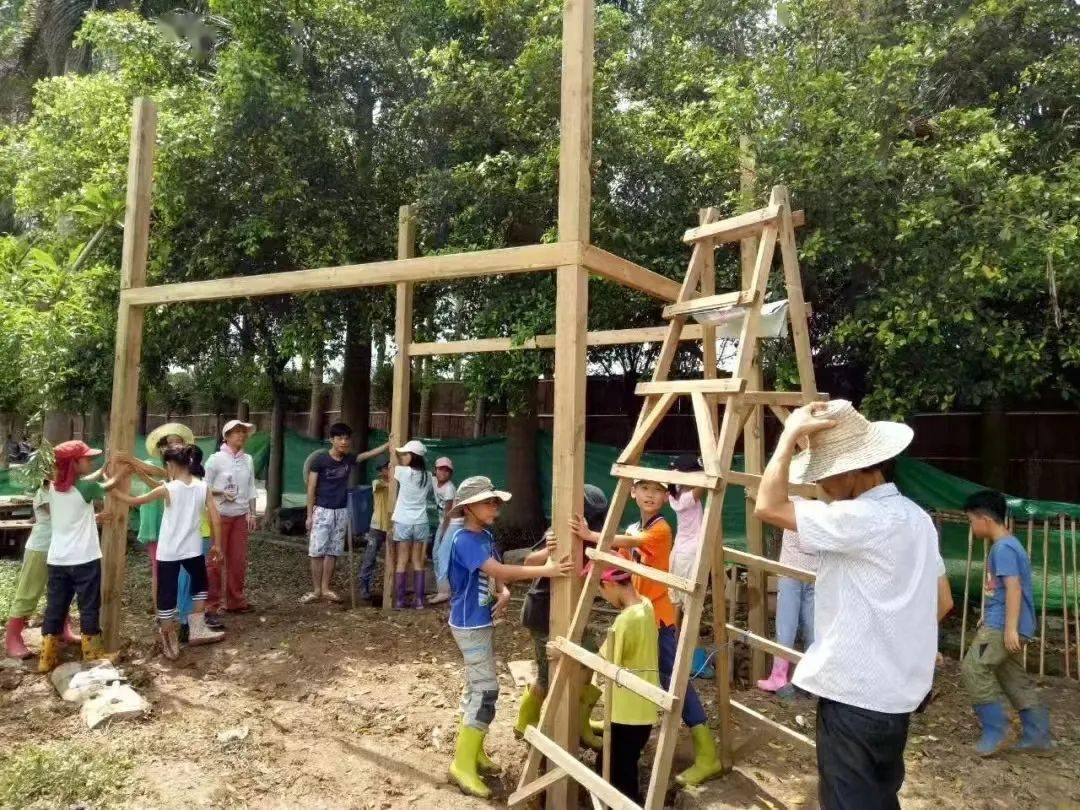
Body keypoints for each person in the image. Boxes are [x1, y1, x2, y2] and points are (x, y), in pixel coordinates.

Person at [753, 400, 938, 810]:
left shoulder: (859, 519)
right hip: (897, 697)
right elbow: (941, 602)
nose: (822, 486)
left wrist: (786, 438)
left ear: (855, 471)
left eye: (827, 475)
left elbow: (766, 505)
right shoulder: (917, 518)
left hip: (856, 698)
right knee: (880, 796)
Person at [570, 478, 723, 787]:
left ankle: (707, 752)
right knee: (623, 667)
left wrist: (593, 535)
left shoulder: (660, 529)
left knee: (672, 680)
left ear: (667, 497)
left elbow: (632, 544)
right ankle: (586, 722)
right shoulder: (632, 529)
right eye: (644, 489)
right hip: (639, 615)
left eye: (658, 491)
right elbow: (621, 555)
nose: (651, 495)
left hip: (659, 618)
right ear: (633, 492)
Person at [444, 475, 571, 799]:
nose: (495, 506)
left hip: (481, 620)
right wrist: (548, 570)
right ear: (468, 508)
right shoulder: (464, 540)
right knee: (486, 692)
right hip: (468, 624)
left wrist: (502, 592)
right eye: (488, 501)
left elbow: (496, 572)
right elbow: (501, 571)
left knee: (476, 688)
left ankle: (474, 752)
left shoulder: (484, 535)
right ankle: (462, 764)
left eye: (495, 501)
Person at [515, 484, 608, 748]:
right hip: (543, 612)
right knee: (548, 675)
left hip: (570, 613)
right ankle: (525, 722)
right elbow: (528, 562)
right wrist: (548, 554)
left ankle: (579, 722)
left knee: (588, 657)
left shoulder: (589, 537)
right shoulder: (558, 533)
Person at [111, 444, 225, 657]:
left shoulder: (168, 488)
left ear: (170, 466)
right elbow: (215, 517)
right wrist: (217, 545)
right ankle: (197, 630)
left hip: (169, 551)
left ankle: (168, 637)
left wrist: (113, 490)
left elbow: (135, 501)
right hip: (193, 549)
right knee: (200, 588)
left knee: (166, 593)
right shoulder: (203, 486)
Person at [961, 490, 1052, 754]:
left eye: (971, 521)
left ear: (985, 519)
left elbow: (1013, 588)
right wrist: (987, 613)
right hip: (1002, 621)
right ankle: (1038, 736)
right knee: (1011, 677)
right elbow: (1001, 590)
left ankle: (995, 731)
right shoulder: (1009, 545)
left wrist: (1009, 628)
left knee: (973, 668)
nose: (972, 526)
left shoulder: (1003, 548)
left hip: (1003, 627)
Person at [38, 441, 121, 672]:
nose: (90, 461)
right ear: (74, 463)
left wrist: (103, 467)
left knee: (55, 606)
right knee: (89, 606)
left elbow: (86, 482)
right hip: (84, 558)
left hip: (57, 559)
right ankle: (93, 653)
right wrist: (121, 471)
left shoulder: (51, 487)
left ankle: (47, 657)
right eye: (86, 458)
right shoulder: (85, 487)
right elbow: (109, 485)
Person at [591, 563, 660, 804]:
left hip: (626, 710)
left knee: (613, 770)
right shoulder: (647, 606)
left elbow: (607, 661)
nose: (605, 598)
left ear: (609, 584)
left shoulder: (625, 621)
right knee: (626, 763)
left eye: (602, 592)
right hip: (645, 707)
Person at [301, 423, 388, 603]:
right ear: (332, 440)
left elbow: (365, 456)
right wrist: (310, 515)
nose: (344, 442)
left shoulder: (348, 459)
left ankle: (326, 588)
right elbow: (311, 488)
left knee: (333, 551)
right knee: (317, 551)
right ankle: (316, 590)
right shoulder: (320, 461)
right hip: (322, 510)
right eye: (340, 438)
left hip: (341, 511)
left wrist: (387, 446)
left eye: (347, 438)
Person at [4, 479, 81, 659]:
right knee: (29, 592)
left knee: (63, 592)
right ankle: (13, 638)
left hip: (63, 548)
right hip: (41, 548)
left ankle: (62, 629)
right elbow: (62, 516)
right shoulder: (45, 491)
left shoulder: (68, 487)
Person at [134, 423, 195, 616]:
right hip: (155, 523)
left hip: (178, 525)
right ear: (161, 447)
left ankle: (177, 606)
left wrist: (130, 461)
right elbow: (150, 471)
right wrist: (132, 463)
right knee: (158, 567)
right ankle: (161, 608)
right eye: (169, 443)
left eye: (178, 442)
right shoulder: (151, 465)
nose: (173, 446)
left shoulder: (185, 469)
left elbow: (163, 475)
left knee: (179, 569)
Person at [757, 508, 818, 695]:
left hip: (797, 570)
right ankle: (809, 679)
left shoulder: (793, 500)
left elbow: (767, 508)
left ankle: (781, 677)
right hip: (813, 571)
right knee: (810, 626)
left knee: (789, 625)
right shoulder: (822, 498)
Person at [203, 420, 258, 622]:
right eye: (236, 432)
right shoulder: (215, 459)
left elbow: (251, 487)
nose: (240, 436)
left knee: (238, 560)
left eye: (243, 432)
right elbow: (203, 486)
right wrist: (222, 493)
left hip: (240, 515)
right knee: (215, 560)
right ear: (226, 436)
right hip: (219, 515)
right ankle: (212, 604)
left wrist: (252, 513)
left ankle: (235, 601)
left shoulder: (248, 459)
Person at [391, 439, 434, 609]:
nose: (403, 457)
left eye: (406, 454)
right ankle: (419, 601)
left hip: (403, 521)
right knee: (418, 561)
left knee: (402, 561)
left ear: (413, 456)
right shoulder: (428, 476)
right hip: (421, 522)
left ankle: (400, 601)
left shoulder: (402, 472)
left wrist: (392, 449)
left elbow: (393, 462)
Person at [667, 454, 705, 624]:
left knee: (679, 599)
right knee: (689, 601)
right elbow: (706, 481)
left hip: (681, 548)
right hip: (690, 552)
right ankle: (682, 640)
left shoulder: (675, 493)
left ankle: (677, 641)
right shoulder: (686, 497)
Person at [429, 456, 463, 605]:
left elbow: (448, 514)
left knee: (441, 554)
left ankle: (444, 592)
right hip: (444, 523)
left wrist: (442, 534)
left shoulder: (449, 488)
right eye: (440, 469)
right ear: (435, 470)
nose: (443, 472)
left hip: (453, 523)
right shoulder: (433, 480)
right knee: (436, 554)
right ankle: (443, 589)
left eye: (447, 470)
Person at [357, 458, 391, 602]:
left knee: (393, 559)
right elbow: (381, 486)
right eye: (387, 468)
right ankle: (364, 586)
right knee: (370, 558)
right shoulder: (377, 483)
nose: (389, 470)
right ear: (381, 472)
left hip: (391, 526)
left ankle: (391, 588)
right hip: (376, 527)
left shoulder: (398, 485)